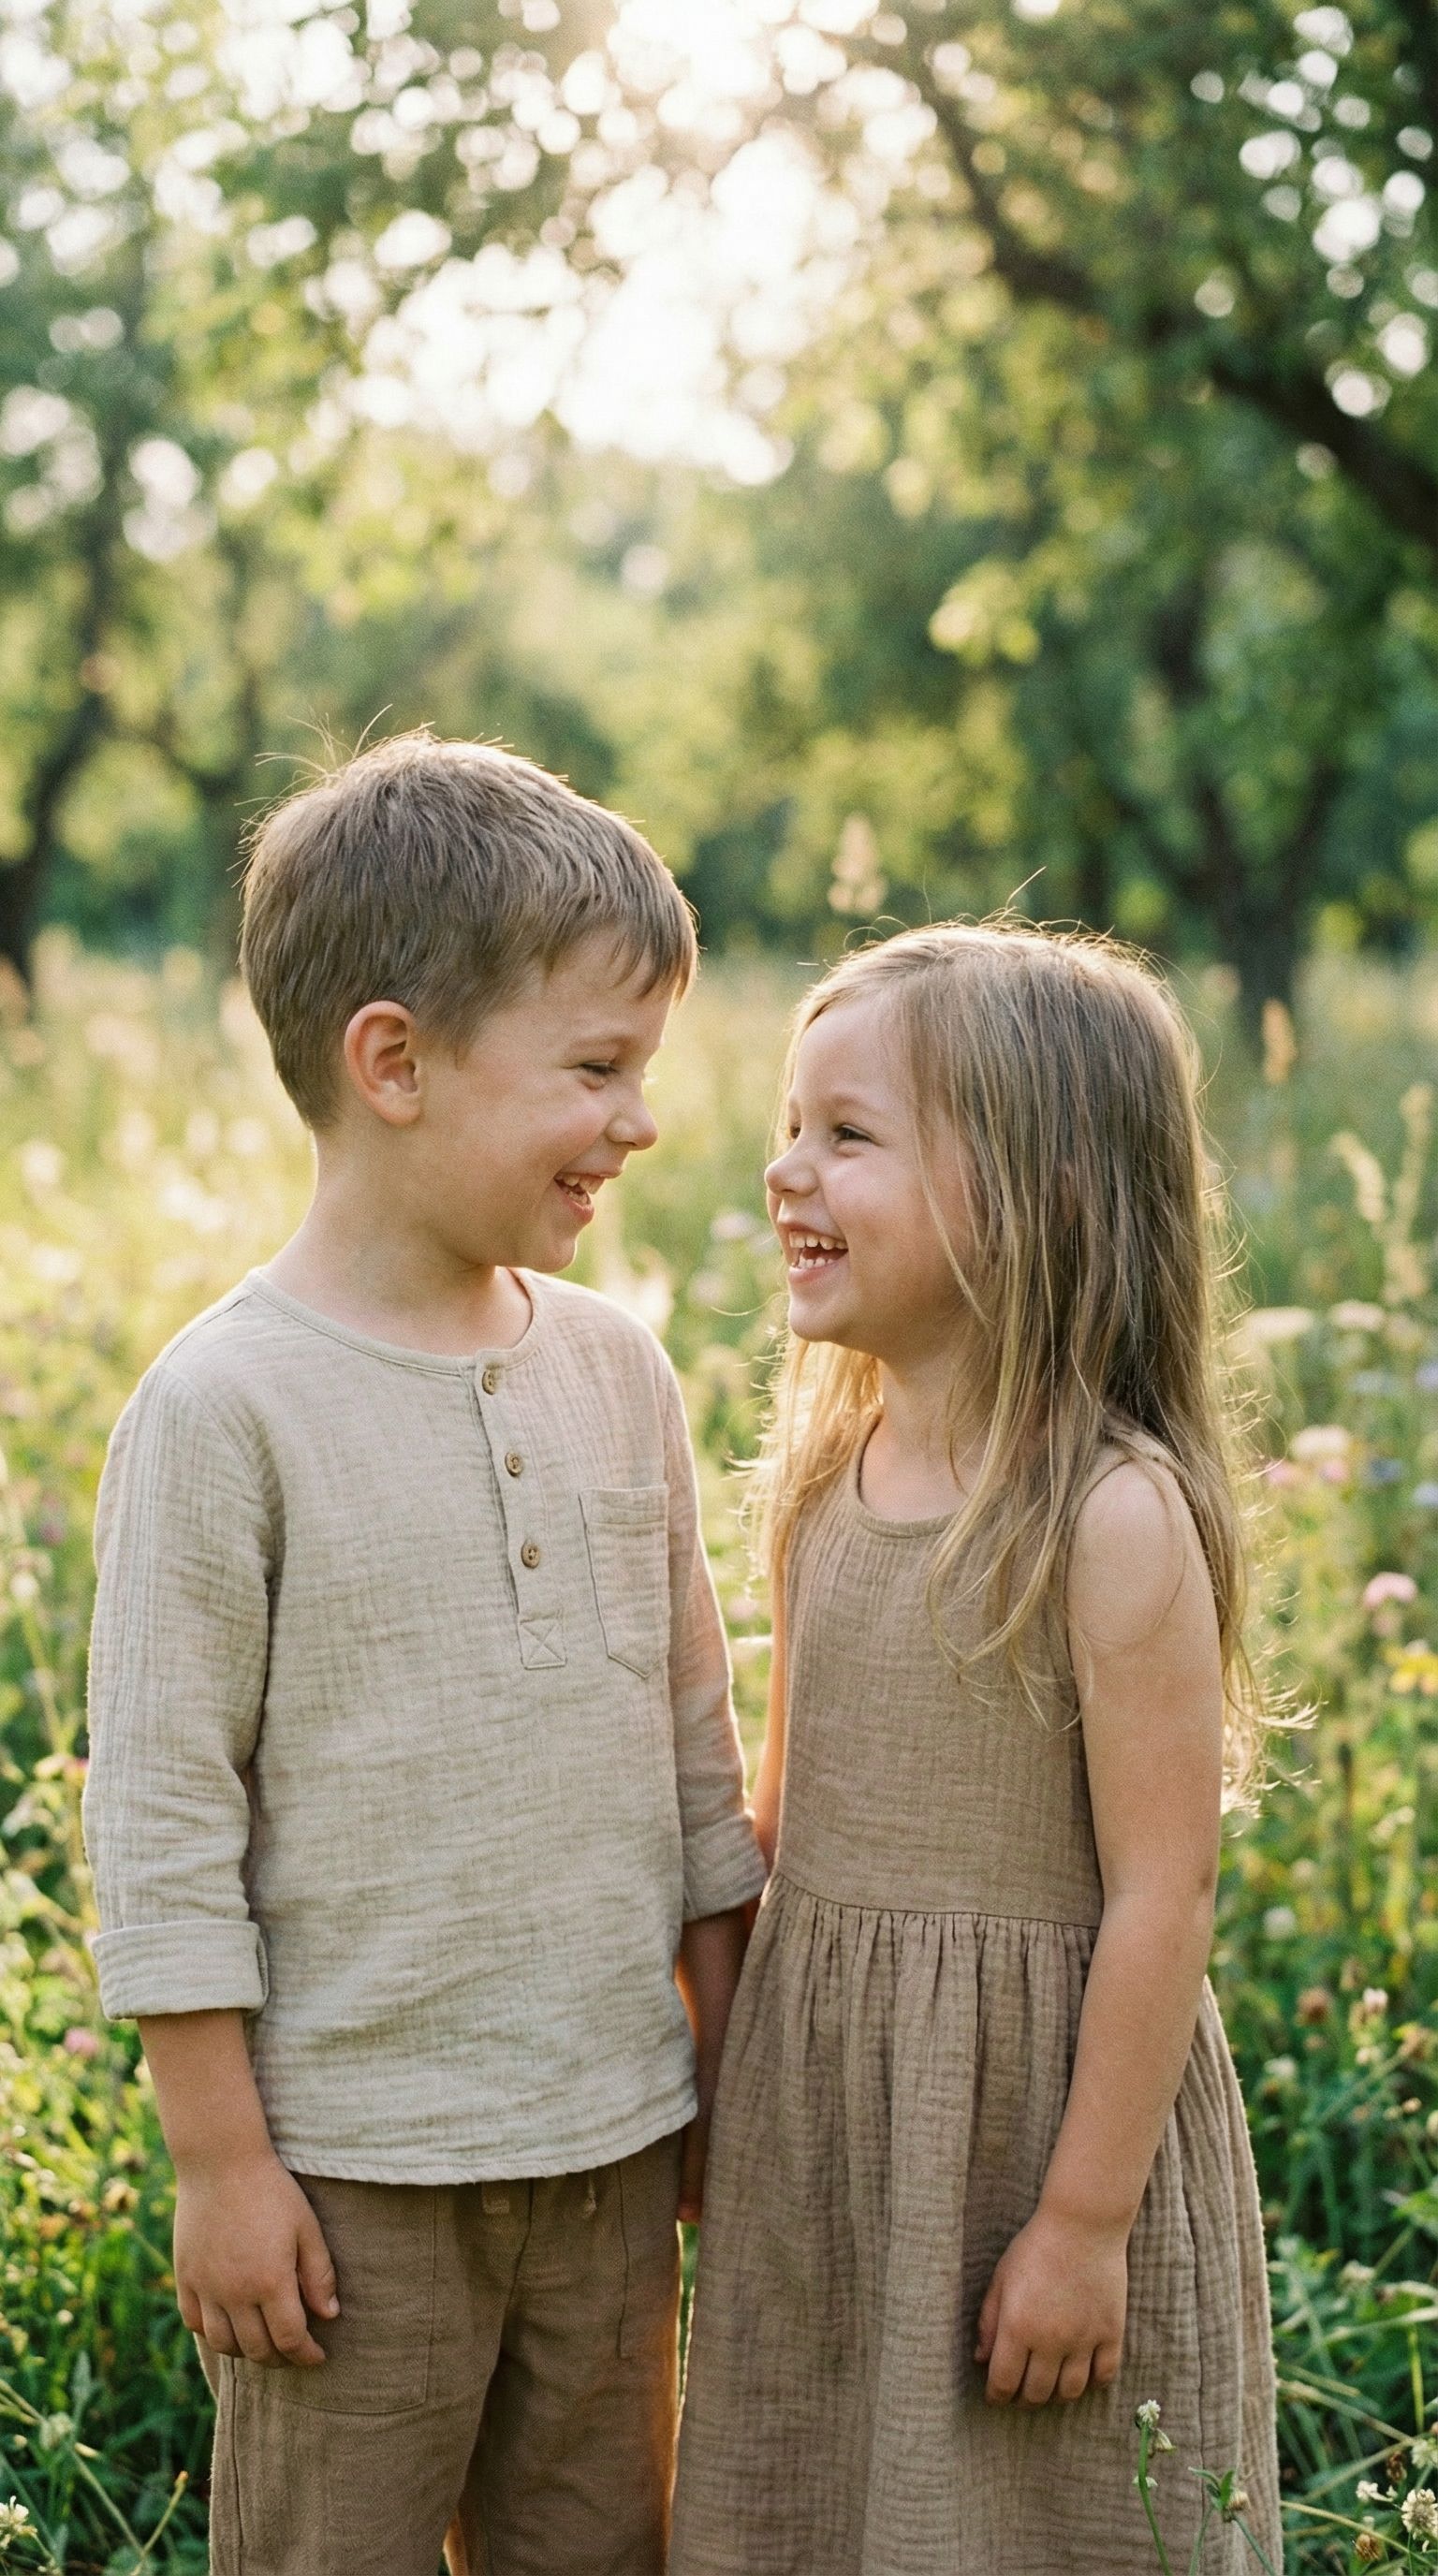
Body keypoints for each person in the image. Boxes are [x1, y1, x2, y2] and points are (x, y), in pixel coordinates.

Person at [81, 731, 765, 2576]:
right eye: (598, 1066)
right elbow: (158, 1819)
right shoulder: (227, 1406)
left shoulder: (618, 1368)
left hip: (615, 2142)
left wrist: (719, 2061)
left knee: (597, 2544)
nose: (638, 1121)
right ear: (392, 1060)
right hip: (351, 2177)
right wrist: (224, 2163)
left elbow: (698, 1754)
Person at [670, 921, 1282, 2576]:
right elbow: (787, 1820)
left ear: (1035, 1191)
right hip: (834, 2124)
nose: (786, 1172)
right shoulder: (822, 1485)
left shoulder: (1109, 1517)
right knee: (814, 2499)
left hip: (1033, 2134)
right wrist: (728, 2096)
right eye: (791, 1126)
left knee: (1032, 2519)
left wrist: (1082, 2226)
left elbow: (1165, 1890)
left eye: (847, 1136)